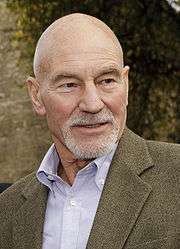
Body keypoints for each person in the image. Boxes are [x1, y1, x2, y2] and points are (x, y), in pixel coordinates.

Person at [0, 13, 179, 249]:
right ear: (36, 96)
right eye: (69, 85)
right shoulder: (7, 209)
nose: (93, 104)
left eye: (107, 81)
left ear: (125, 85)